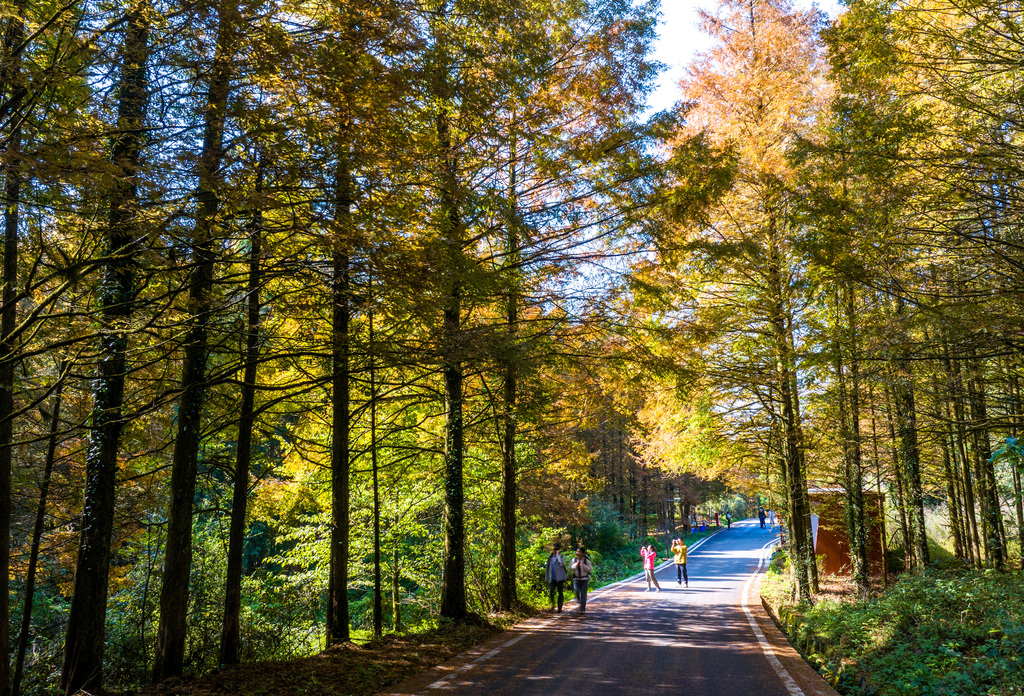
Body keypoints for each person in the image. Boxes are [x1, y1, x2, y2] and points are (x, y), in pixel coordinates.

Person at [545, 543, 567, 612]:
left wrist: (558, 556)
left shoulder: (562, 557)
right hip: (552, 578)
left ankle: (559, 607)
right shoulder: (550, 558)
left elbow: (562, 564)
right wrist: (547, 578)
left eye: (557, 549)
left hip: (560, 578)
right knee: (551, 591)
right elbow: (547, 568)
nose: (555, 551)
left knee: (560, 592)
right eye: (554, 549)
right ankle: (552, 605)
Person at [569, 547, 593, 613]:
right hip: (576, 579)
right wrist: (575, 565)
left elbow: (590, 569)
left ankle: (582, 609)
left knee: (583, 594)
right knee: (576, 592)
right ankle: (580, 603)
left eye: (579, 552)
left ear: (583, 553)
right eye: (577, 551)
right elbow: (570, 568)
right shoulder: (574, 560)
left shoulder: (586, 560)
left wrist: (583, 565)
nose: (578, 553)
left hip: (584, 579)